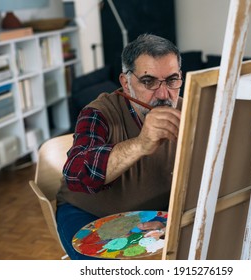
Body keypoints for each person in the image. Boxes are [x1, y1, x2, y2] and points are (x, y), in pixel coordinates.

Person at [56, 34, 184, 259]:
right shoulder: (97, 112)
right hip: (89, 213)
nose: (164, 95)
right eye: (148, 82)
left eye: (172, 80)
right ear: (126, 83)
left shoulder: (190, 108)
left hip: (156, 212)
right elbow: (77, 173)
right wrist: (141, 144)